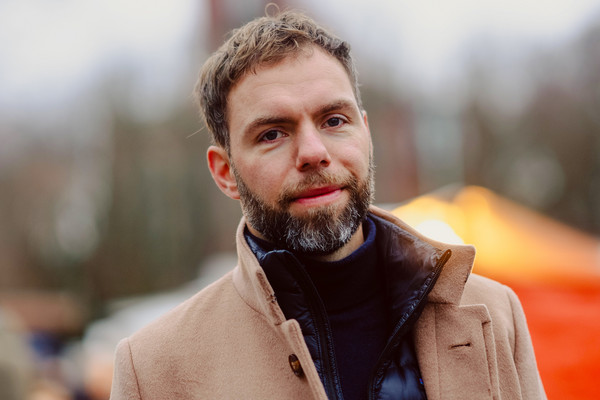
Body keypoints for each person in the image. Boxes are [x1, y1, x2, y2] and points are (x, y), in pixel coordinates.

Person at [110, 9, 546, 400]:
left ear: (366, 133)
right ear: (225, 173)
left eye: (335, 120)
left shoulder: (495, 313)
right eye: (272, 134)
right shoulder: (153, 370)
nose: (313, 151)